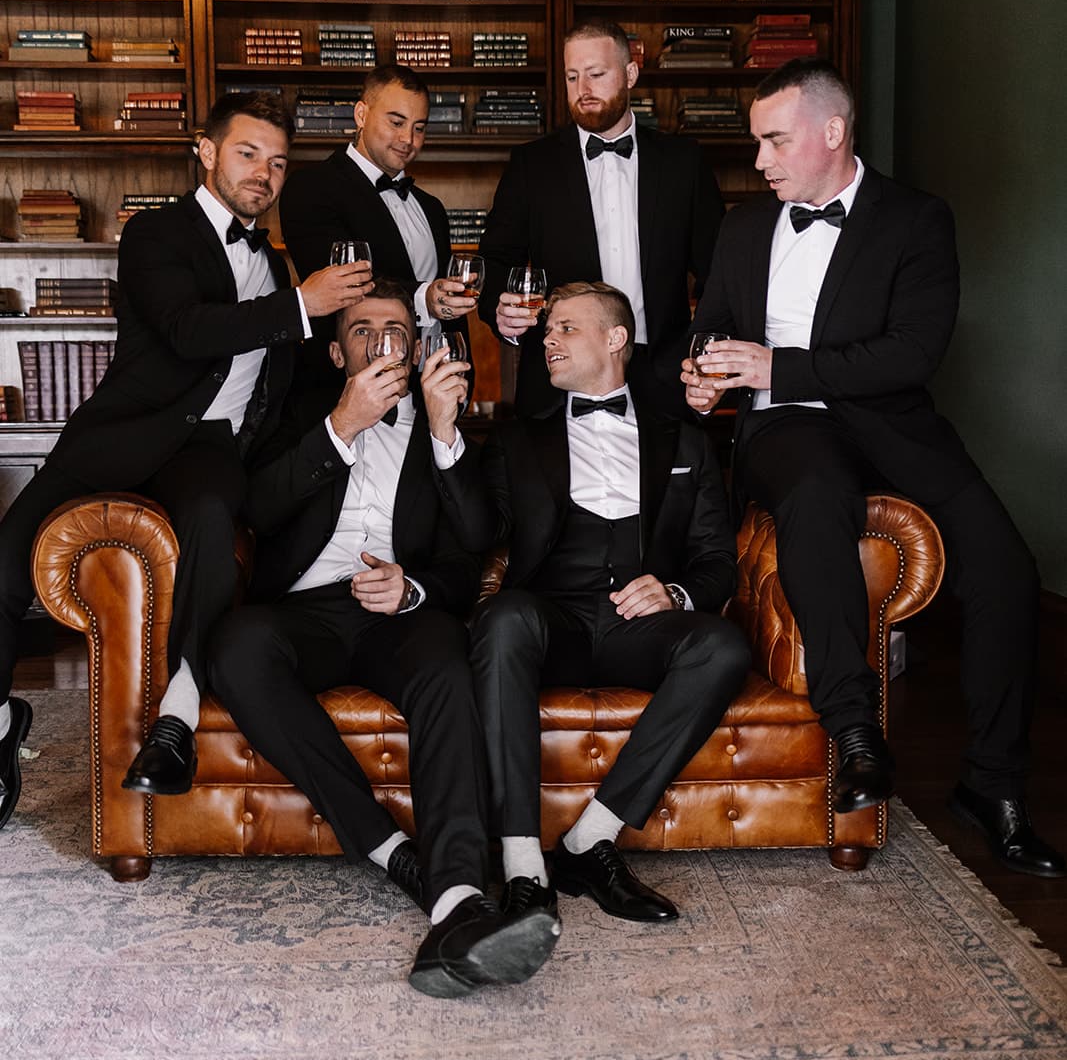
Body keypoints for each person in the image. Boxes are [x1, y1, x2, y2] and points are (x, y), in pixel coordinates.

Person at [684, 58, 1063, 878]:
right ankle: (854, 728)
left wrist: (774, 365)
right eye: (756, 143)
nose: (758, 161)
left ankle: (992, 788)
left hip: (894, 428)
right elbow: (708, 325)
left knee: (1005, 570)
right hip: (784, 430)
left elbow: (911, 354)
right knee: (818, 493)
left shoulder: (916, 220)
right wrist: (701, 368)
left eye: (774, 141)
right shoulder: (744, 228)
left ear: (831, 132)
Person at [0, 92, 369, 828]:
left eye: (277, 163)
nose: (263, 174)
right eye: (247, 154)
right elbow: (185, 329)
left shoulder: (277, 263)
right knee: (4, 567)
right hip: (122, 436)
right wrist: (302, 306)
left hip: (210, 447)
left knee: (209, 518)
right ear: (205, 150)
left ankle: (176, 716)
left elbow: (291, 378)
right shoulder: (155, 234)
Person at [207, 281, 560, 996]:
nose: (381, 341)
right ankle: (392, 850)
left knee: (446, 666)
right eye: (362, 329)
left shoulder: (446, 424)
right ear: (337, 351)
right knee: (238, 645)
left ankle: (458, 890)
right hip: (306, 612)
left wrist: (440, 433)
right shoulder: (299, 413)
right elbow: (257, 510)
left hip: (401, 614)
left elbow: (473, 547)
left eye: (396, 328)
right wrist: (342, 423)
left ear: (418, 343)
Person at [447, 282, 750, 924]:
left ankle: (592, 838)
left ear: (616, 340)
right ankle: (524, 863)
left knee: (722, 645)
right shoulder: (517, 439)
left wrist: (676, 593)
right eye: (547, 329)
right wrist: (447, 438)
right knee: (501, 619)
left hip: (636, 629)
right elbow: (479, 535)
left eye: (564, 329)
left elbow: (718, 559)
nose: (546, 339)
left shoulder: (684, 439)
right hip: (549, 620)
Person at [478, 18, 724, 416]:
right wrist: (498, 309)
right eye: (572, 77)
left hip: (665, 376)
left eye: (596, 74)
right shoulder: (532, 164)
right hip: (559, 380)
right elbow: (494, 258)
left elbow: (718, 272)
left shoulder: (684, 162)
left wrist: (699, 355)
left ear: (630, 74)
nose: (583, 90)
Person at [280, 64, 478, 408]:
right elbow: (346, 290)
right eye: (396, 122)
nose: (409, 140)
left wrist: (459, 377)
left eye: (419, 128)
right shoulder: (310, 188)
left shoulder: (432, 208)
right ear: (361, 113)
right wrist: (423, 300)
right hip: (343, 394)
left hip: (429, 394)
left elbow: (450, 309)